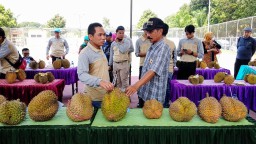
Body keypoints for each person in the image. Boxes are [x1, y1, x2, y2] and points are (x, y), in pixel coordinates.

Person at [126, 17, 171, 107]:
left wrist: (135, 86)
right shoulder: (152, 46)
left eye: (150, 32)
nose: (147, 35)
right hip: (144, 93)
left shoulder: (163, 48)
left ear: (160, 31)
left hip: (154, 97)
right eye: (146, 32)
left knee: (152, 119)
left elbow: (153, 71)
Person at [77, 22, 114, 108]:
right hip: (94, 99)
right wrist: (99, 81)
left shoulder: (100, 48)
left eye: (104, 35)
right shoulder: (85, 53)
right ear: (90, 37)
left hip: (105, 95)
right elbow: (82, 75)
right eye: (100, 35)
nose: (103, 38)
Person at [109, 26, 133, 90]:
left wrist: (118, 43)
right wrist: (110, 64)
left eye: (123, 33)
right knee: (117, 82)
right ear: (116, 33)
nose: (121, 34)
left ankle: (126, 97)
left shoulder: (127, 41)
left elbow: (123, 50)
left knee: (124, 82)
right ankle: (118, 97)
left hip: (124, 64)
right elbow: (111, 55)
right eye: (120, 33)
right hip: (115, 64)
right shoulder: (113, 44)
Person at [135, 22, 152, 107]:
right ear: (144, 30)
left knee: (150, 84)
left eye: (149, 30)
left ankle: (148, 103)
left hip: (152, 66)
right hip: (142, 65)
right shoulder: (139, 41)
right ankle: (140, 102)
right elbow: (136, 53)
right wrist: (147, 53)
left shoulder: (152, 40)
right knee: (141, 84)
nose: (147, 32)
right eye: (146, 30)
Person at [163, 23, 177, 108]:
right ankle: (166, 105)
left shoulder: (156, 43)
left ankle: (159, 105)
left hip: (158, 71)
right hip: (169, 69)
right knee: (167, 88)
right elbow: (175, 58)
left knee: (159, 88)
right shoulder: (172, 43)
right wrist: (172, 66)